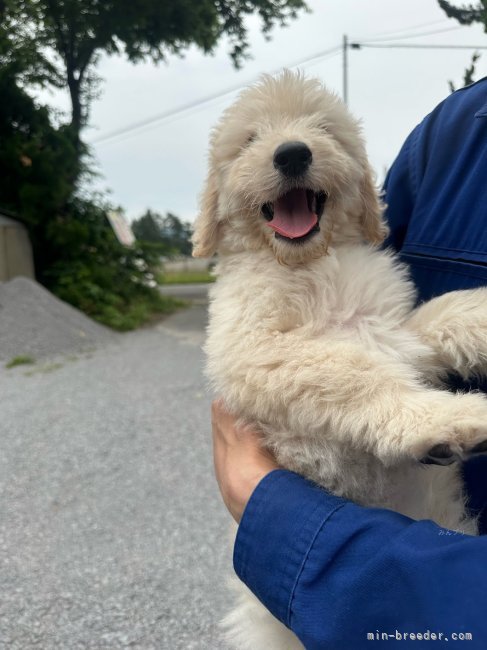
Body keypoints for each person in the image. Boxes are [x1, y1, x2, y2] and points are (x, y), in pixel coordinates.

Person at [211, 76, 487, 649]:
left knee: (451, 320)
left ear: (361, 184)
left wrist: (461, 322)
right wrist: (395, 411)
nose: (293, 148)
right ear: (214, 203)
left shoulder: (369, 265)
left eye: (323, 131)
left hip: (435, 543)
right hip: (314, 592)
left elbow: (398, 346)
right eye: (250, 140)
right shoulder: (250, 281)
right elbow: (253, 363)